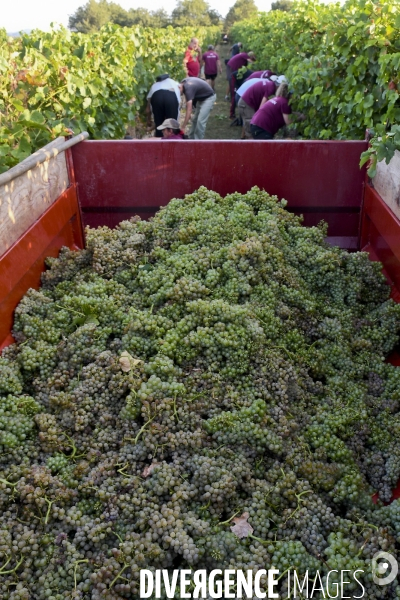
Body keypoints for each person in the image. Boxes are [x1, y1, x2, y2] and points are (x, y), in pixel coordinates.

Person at [146, 74, 181, 138]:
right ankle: (173, 143)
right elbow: (178, 104)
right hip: (171, 97)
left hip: (157, 97)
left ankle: (159, 145)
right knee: (172, 125)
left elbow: (148, 109)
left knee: (159, 126)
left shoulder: (154, 85)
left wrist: (149, 120)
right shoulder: (174, 83)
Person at [227, 52, 256, 118]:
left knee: (239, 94)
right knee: (234, 95)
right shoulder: (244, 55)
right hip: (234, 76)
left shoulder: (246, 67)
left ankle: (240, 113)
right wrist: (256, 62)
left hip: (239, 78)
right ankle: (232, 114)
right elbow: (250, 61)